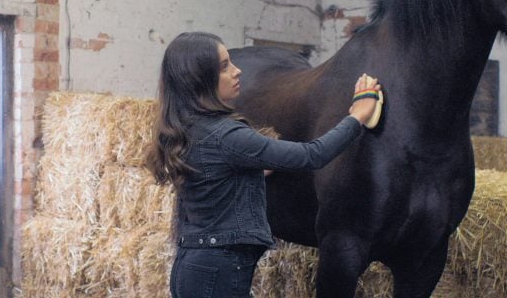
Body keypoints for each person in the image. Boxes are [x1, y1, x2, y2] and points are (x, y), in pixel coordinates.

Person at [144, 31, 381, 298]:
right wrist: (357, 116)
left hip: (197, 267)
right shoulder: (227, 135)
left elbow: (216, 176)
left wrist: (255, 166)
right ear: (201, 79)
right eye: (224, 67)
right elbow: (313, 155)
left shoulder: (188, 127)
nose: (237, 71)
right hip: (218, 274)